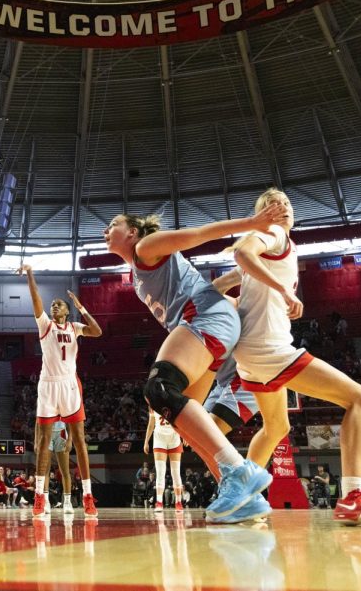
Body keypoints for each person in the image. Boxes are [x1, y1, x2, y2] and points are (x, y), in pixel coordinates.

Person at [216, 188, 361, 525]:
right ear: (262, 215)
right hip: (268, 350)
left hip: (250, 357)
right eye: (272, 204)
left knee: (276, 426)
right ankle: (352, 496)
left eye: (286, 203)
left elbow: (215, 287)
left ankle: (241, 497)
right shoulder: (273, 233)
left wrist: (226, 304)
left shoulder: (271, 247)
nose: (282, 207)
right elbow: (241, 251)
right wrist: (283, 290)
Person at [103, 204, 286, 523]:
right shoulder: (137, 271)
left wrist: (251, 222)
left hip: (206, 318)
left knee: (159, 388)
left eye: (113, 224)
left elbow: (197, 235)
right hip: (210, 321)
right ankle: (242, 500)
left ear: (132, 232)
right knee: (185, 421)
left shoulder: (146, 247)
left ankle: (239, 472)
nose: (106, 229)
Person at [18, 265, 103, 519]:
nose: (54, 307)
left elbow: (98, 331)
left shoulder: (75, 327)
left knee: (79, 440)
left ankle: (87, 496)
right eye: (53, 304)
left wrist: (83, 308)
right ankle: (39, 497)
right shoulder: (45, 324)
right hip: (48, 385)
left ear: (67, 310)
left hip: (68, 384)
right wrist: (31, 274)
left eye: (59, 305)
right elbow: (36, 299)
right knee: (44, 443)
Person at [144, 410, 186, 513]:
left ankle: (178, 502)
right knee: (160, 472)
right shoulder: (153, 402)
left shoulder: (174, 399)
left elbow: (183, 419)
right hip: (159, 438)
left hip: (174, 437)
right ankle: (159, 502)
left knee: (176, 472)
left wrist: (185, 435)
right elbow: (151, 423)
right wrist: (146, 441)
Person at [48, 419, 76, 515]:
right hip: (47, 431)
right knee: (45, 472)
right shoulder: (44, 403)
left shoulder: (64, 404)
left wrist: (70, 440)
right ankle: (45, 502)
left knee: (65, 471)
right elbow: (37, 421)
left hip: (62, 432)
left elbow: (70, 422)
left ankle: (67, 502)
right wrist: (36, 439)